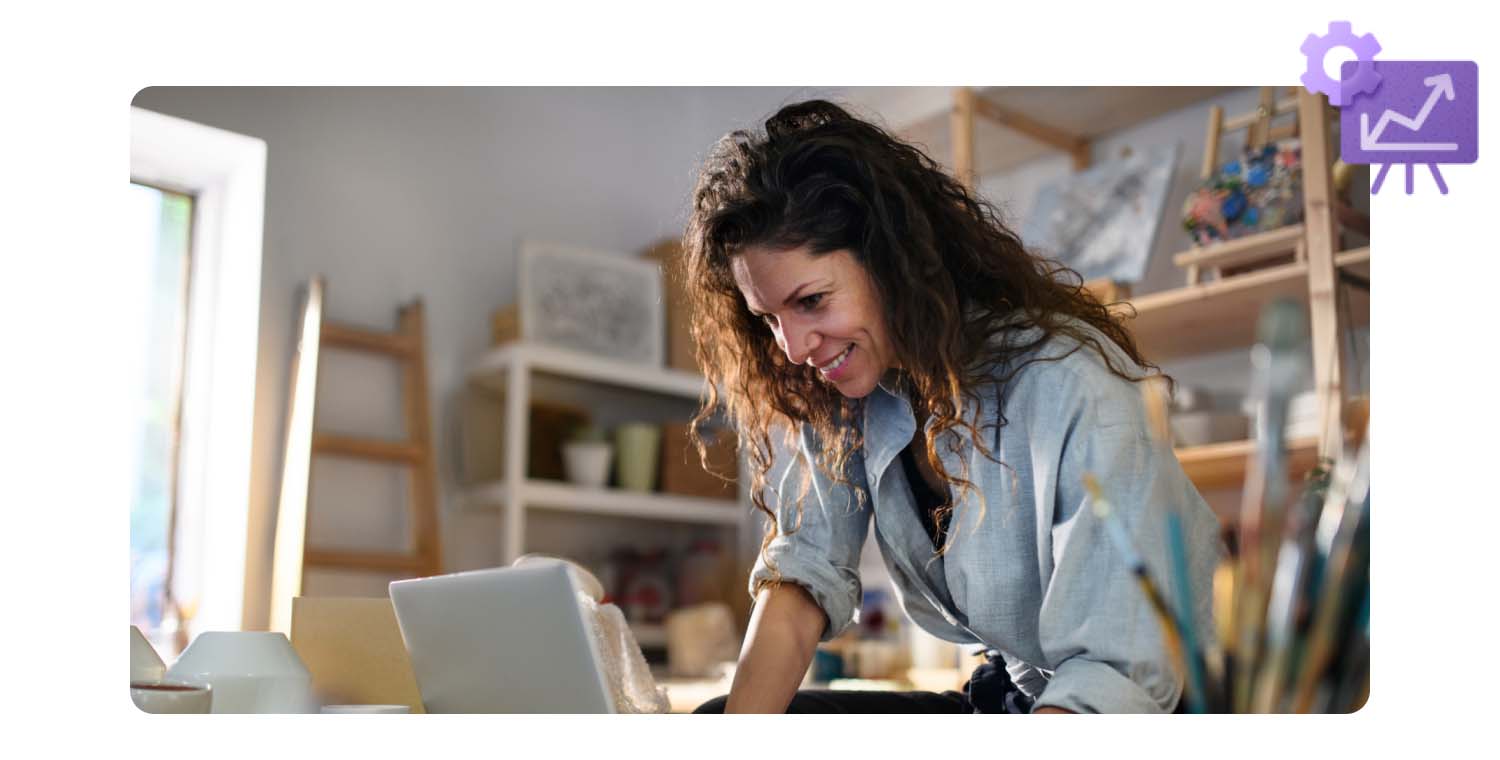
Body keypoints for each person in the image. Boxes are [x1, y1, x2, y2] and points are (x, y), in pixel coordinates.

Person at [679, 99, 1222, 714]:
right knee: (719, 719)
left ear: (888, 262)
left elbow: (1117, 672)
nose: (795, 347)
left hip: (1142, 711)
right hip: (1017, 698)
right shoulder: (849, 388)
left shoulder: (1069, 381)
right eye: (769, 319)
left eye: (812, 301)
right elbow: (803, 577)